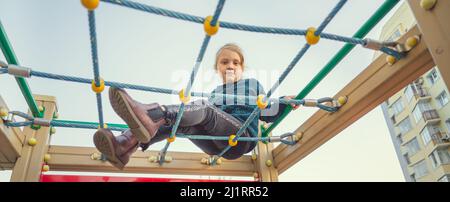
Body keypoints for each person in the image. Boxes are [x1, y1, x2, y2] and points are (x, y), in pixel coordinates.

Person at [93, 43, 299, 169]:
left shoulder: (252, 84)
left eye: (236, 63)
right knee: (181, 124)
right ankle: (125, 145)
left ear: (242, 68)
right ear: (217, 68)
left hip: (241, 137)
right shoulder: (216, 92)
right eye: (224, 62)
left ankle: (153, 114)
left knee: (204, 108)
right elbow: (204, 118)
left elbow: (266, 111)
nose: (230, 66)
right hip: (217, 144)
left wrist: (285, 103)